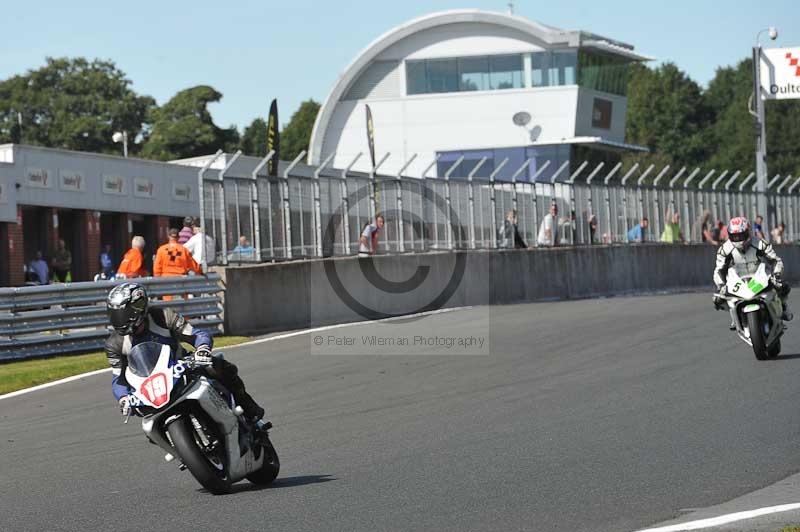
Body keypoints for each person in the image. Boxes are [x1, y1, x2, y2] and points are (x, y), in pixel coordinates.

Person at [105, 283, 266, 424]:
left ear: (137, 308)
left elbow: (196, 335)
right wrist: (123, 398)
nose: (119, 319)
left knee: (219, 367)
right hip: (150, 387)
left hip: (181, 368)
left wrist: (202, 349)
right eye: (115, 315)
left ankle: (248, 408)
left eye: (123, 314)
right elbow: (118, 379)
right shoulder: (115, 344)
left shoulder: (162, 317)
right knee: (146, 421)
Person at [713, 217, 792, 328]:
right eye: (735, 236)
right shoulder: (724, 250)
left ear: (748, 232)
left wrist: (776, 275)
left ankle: (783, 306)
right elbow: (719, 270)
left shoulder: (760, 243)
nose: (738, 239)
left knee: (783, 286)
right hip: (738, 280)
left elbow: (775, 260)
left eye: (741, 235)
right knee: (718, 300)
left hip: (759, 276)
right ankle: (735, 316)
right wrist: (720, 285)